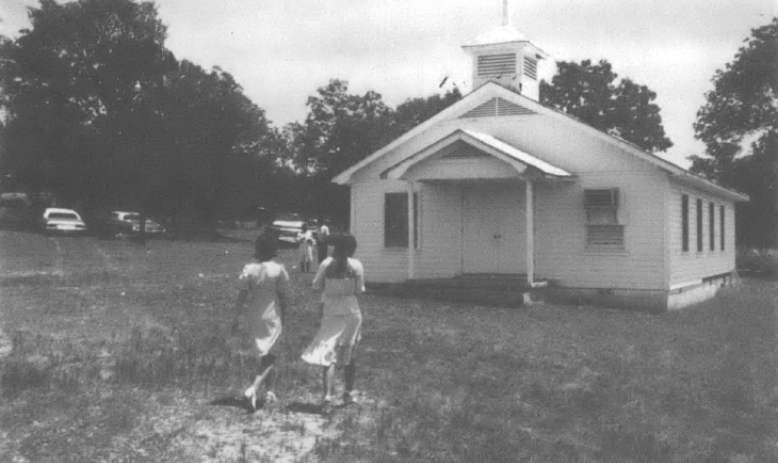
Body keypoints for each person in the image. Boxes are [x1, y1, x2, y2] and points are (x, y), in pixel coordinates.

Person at [301, 234, 365, 413]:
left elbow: (316, 286)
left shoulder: (326, 264)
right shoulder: (356, 265)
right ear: (352, 249)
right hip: (351, 311)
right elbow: (360, 290)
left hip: (331, 310)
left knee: (328, 355)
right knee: (350, 353)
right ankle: (348, 392)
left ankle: (327, 398)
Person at [232, 235, 290, 411]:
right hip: (271, 316)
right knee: (271, 356)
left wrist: (236, 316)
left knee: (266, 354)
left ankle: (270, 391)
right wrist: (285, 316)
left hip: (253, 315)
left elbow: (242, 294)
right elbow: (283, 296)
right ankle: (253, 389)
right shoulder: (278, 270)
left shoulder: (250, 269)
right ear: (274, 250)